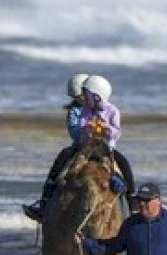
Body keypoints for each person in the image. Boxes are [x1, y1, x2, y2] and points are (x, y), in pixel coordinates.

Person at [24, 74, 137, 221]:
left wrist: (105, 129)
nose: (82, 98)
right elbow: (76, 131)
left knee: (124, 163)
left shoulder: (112, 111)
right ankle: (45, 201)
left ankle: (133, 202)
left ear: (96, 96)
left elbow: (116, 132)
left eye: (85, 95)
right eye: (80, 96)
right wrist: (87, 130)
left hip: (105, 148)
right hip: (83, 146)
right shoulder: (80, 110)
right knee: (62, 158)